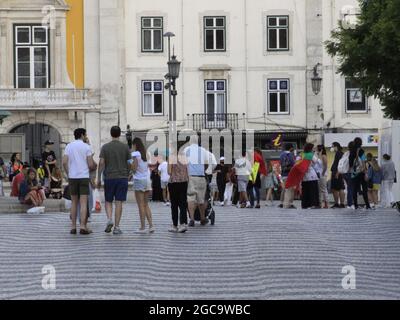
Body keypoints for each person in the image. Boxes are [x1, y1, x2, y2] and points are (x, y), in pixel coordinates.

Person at [97, 126, 131, 235]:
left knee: (108, 200)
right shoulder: (125, 147)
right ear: (120, 134)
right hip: (122, 177)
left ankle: (109, 219)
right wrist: (129, 173)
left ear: (111, 134)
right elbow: (130, 162)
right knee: (119, 201)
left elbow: (101, 163)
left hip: (109, 178)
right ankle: (117, 227)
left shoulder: (105, 147)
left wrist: (98, 177)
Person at [63, 128, 96, 235]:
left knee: (74, 202)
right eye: (85, 134)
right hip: (83, 177)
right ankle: (82, 226)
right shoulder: (87, 147)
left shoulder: (69, 146)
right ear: (82, 135)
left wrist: (69, 174)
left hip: (72, 177)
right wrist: (93, 167)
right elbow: (91, 164)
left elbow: (64, 162)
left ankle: (73, 227)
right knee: (83, 203)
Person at [184, 137, 210, 227]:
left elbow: (184, 163)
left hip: (190, 177)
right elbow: (206, 164)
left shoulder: (186, 150)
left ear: (190, 142)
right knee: (201, 199)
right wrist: (202, 170)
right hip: (201, 177)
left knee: (190, 199)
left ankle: (191, 219)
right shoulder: (203, 150)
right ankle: (203, 218)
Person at [131, 137, 154, 234]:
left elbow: (134, 168)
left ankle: (142, 227)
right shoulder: (147, 154)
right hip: (147, 180)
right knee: (146, 204)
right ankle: (151, 226)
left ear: (135, 145)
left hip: (139, 180)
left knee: (140, 205)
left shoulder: (136, 154)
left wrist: (130, 164)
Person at [167, 149, 189, 233]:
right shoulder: (185, 156)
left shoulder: (172, 156)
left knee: (174, 204)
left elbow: (169, 171)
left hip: (174, 182)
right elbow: (187, 170)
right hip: (184, 182)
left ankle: (175, 225)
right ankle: (183, 224)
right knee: (183, 203)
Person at [349, 137, 371, 210]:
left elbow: (350, 163)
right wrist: (365, 172)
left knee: (355, 189)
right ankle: (367, 205)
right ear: (361, 143)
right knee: (364, 189)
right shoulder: (361, 151)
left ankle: (355, 205)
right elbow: (364, 161)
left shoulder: (351, 151)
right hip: (361, 172)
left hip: (354, 173)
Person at [301, 144, 320, 209]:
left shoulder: (303, 155)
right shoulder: (311, 155)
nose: (314, 149)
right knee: (313, 190)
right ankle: (314, 204)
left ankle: (306, 204)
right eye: (313, 148)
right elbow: (317, 161)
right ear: (310, 148)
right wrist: (317, 154)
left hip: (304, 175)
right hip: (311, 175)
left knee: (305, 191)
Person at [278, 144, 296, 209]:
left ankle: (281, 203)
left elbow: (280, 163)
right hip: (289, 174)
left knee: (285, 189)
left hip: (283, 174)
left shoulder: (281, 155)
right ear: (291, 148)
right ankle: (289, 203)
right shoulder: (290, 155)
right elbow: (294, 164)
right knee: (290, 190)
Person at [330, 142, 346, 208]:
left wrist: (337, 173)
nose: (332, 148)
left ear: (336, 146)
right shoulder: (339, 153)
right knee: (336, 188)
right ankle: (338, 203)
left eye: (332, 146)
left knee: (339, 188)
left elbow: (341, 164)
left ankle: (340, 203)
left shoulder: (339, 153)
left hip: (337, 173)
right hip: (336, 172)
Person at [343, 141, 355, 209]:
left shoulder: (346, 153)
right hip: (351, 172)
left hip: (344, 173)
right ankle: (350, 204)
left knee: (349, 188)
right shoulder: (353, 154)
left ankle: (350, 203)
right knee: (351, 188)